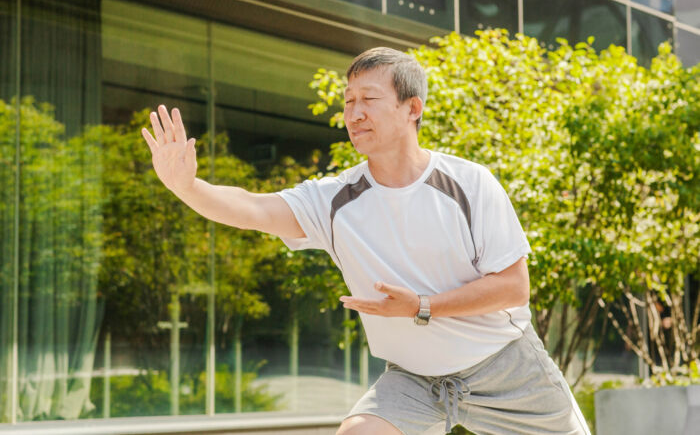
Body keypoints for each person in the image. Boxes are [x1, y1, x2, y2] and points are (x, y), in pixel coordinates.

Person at [142, 47, 591, 435]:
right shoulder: (334, 199)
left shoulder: (469, 184)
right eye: (348, 101)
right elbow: (254, 208)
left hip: (505, 366)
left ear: (412, 108)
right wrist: (187, 187)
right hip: (414, 378)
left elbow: (513, 288)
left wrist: (420, 305)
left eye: (369, 100)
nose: (354, 114)